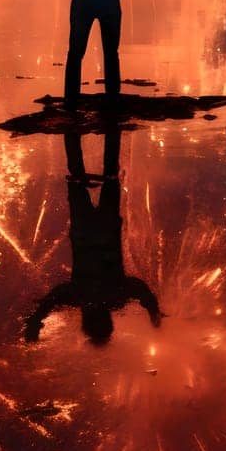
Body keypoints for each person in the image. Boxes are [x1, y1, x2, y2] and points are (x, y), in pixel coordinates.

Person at [24, 128, 161, 345]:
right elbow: (54, 298)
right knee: (79, 175)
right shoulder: (80, 297)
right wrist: (34, 321)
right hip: (84, 229)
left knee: (109, 175)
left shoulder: (114, 297)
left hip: (104, 228)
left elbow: (140, 290)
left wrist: (153, 312)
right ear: (86, 323)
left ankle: (109, 126)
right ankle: (73, 130)